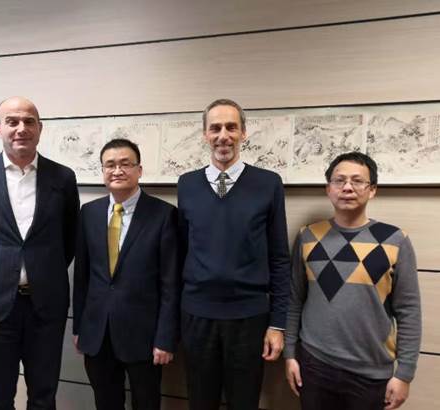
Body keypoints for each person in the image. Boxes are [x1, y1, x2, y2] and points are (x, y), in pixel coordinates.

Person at [0, 96, 80, 409]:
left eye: (29, 121)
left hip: (45, 306)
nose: (21, 128)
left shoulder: (63, 178)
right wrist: (1, 270)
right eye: (12, 121)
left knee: (44, 396)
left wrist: (40, 270)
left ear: (40, 128)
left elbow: (68, 240)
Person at [177, 98, 291, 410]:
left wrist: (278, 324)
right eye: (215, 128)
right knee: (200, 402)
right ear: (205, 134)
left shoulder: (268, 184)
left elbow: (280, 258)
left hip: (249, 317)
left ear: (243, 133)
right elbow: (182, 252)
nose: (223, 136)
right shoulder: (187, 184)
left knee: (244, 401)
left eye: (231, 127)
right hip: (197, 315)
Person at [284, 152, 421, 410]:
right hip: (314, 365)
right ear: (328, 188)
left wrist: (405, 373)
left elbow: (409, 311)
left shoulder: (395, 240)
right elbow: (294, 300)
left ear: (372, 190)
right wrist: (290, 354)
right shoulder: (308, 236)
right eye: (339, 180)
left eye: (357, 181)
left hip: (371, 373)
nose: (347, 187)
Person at [72, 138, 179, 410]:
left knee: (146, 403)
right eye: (110, 165)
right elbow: (82, 276)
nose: (117, 170)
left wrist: (165, 337)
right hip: (97, 334)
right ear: (102, 171)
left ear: (139, 170)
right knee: (106, 403)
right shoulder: (89, 213)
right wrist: (79, 327)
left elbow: (170, 284)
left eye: (125, 164)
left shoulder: (164, 215)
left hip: (145, 336)